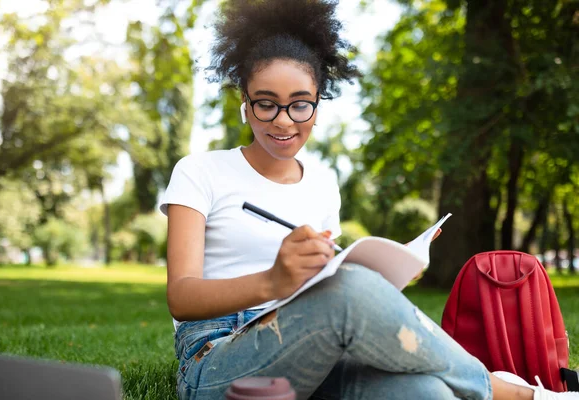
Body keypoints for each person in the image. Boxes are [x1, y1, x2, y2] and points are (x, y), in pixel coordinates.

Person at [160, 1, 579, 399]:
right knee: (353, 290)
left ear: (318, 106)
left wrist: (390, 274)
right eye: (266, 104)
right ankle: (515, 392)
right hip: (215, 359)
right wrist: (273, 282)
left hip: (312, 348)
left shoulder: (323, 185)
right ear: (245, 106)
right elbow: (181, 296)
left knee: (427, 393)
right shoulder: (200, 171)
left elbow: (327, 287)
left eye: (299, 105)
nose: (283, 120)